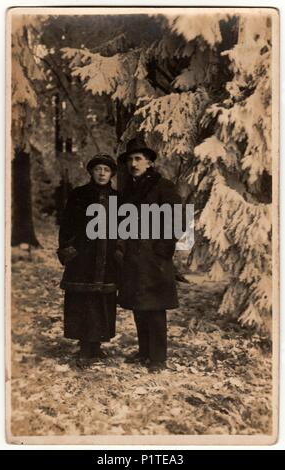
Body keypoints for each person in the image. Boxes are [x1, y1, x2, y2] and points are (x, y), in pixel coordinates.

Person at [116, 136, 181, 373]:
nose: (133, 164)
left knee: (155, 307)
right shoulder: (128, 189)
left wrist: (164, 248)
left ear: (149, 162)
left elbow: (178, 217)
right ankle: (144, 352)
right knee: (138, 304)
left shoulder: (163, 186)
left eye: (138, 159)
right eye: (130, 160)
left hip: (155, 256)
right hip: (133, 256)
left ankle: (158, 358)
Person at [57, 153, 117, 363]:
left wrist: (118, 252)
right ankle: (84, 347)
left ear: (112, 174)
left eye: (107, 170)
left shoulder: (118, 199)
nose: (102, 173)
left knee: (101, 301)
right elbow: (67, 225)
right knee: (82, 300)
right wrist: (68, 249)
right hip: (82, 257)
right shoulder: (79, 194)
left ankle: (97, 345)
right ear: (91, 171)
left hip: (107, 259)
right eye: (98, 169)